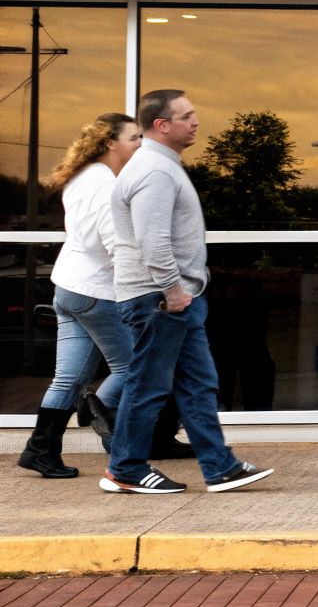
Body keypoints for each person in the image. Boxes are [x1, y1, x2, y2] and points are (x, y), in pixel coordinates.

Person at [100, 89, 273, 494]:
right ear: (161, 125)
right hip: (158, 299)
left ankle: (219, 467)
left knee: (199, 384)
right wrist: (174, 291)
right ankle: (124, 468)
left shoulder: (163, 166)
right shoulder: (155, 172)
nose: (196, 122)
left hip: (173, 299)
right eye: (186, 116)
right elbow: (153, 241)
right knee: (148, 386)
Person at [16, 114, 141, 478]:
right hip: (97, 292)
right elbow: (115, 244)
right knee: (133, 366)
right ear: (110, 144)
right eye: (134, 138)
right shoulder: (106, 186)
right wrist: (139, 289)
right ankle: (99, 410)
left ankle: (40, 451)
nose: (140, 144)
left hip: (69, 288)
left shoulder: (81, 178)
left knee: (68, 378)